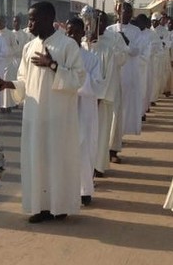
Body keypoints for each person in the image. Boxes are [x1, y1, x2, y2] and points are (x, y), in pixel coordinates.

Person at [0, 1, 85, 223]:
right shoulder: (29, 46)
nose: (29, 24)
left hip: (59, 116)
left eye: (33, 19)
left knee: (57, 158)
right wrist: (8, 84)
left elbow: (78, 78)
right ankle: (40, 207)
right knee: (37, 159)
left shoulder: (67, 45)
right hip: (34, 115)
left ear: (47, 19)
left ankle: (59, 206)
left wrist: (53, 66)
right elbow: (25, 81)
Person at [66, 17, 102, 206]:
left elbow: (96, 86)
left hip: (85, 109)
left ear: (82, 33)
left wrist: (77, 77)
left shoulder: (91, 58)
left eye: (75, 32)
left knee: (85, 147)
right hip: (65, 109)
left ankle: (85, 190)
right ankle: (66, 189)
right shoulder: (60, 56)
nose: (71, 36)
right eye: (68, 32)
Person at [87, 11, 126, 177]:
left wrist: (99, 96)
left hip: (102, 98)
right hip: (84, 99)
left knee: (101, 132)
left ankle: (98, 165)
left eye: (101, 21)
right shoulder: (83, 44)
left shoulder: (110, 44)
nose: (97, 25)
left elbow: (110, 73)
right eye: (94, 21)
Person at [105, 2, 143, 163]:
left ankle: (115, 146)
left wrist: (124, 39)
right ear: (117, 12)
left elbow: (136, 51)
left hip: (128, 73)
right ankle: (105, 146)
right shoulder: (109, 30)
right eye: (122, 11)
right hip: (111, 75)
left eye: (128, 11)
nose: (125, 13)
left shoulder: (135, 31)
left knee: (120, 113)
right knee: (109, 112)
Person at [0, 16, 20, 113]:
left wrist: (6, 52)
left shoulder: (10, 34)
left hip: (8, 62)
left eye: (1, 22)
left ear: (5, 22)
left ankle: (8, 105)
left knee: (6, 83)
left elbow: (16, 47)